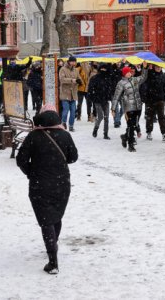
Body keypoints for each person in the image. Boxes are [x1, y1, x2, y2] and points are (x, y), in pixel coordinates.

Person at [16, 104, 78, 275]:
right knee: (55, 215)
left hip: (39, 184)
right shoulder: (65, 135)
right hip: (62, 183)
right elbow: (73, 157)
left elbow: (20, 159)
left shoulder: (33, 136)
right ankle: (53, 244)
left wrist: (32, 172)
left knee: (46, 220)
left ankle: (53, 260)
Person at [112, 65, 147, 152]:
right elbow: (116, 96)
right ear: (124, 74)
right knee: (131, 126)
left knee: (134, 125)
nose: (129, 74)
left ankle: (125, 137)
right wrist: (113, 109)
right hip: (128, 108)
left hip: (137, 107)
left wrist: (145, 68)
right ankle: (130, 145)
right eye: (127, 73)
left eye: (129, 72)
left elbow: (143, 77)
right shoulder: (121, 83)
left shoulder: (135, 80)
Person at [141, 64, 165, 141]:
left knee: (161, 117)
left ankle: (164, 133)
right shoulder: (150, 74)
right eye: (157, 67)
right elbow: (144, 77)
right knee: (149, 117)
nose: (158, 68)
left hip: (160, 100)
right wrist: (145, 67)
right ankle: (149, 132)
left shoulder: (163, 76)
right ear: (154, 67)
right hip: (150, 100)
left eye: (159, 67)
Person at [88, 63, 114, 140]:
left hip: (106, 100)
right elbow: (90, 89)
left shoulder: (108, 78)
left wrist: (110, 96)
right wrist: (92, 97)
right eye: (102, 69)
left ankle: (105, 133)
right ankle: (95, 129)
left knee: (106, 117)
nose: (103, 70)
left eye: (104, 69)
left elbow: (110, 88)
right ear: (99, 69)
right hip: (97, 100)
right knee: (100, 117)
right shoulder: (94, 78)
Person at [59, 57, 80, 131]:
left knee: (73, 111)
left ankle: (71, 125)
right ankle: (63, 123)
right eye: (73, 62)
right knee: (66, 110)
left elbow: (78, 78)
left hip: (73, 94)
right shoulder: (63, 69)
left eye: (75, 62)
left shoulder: (76, 70)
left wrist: (79, 81)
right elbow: (62, 79)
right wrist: (72, 80)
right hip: (65, 93)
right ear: (69, 62)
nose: (74, 63)